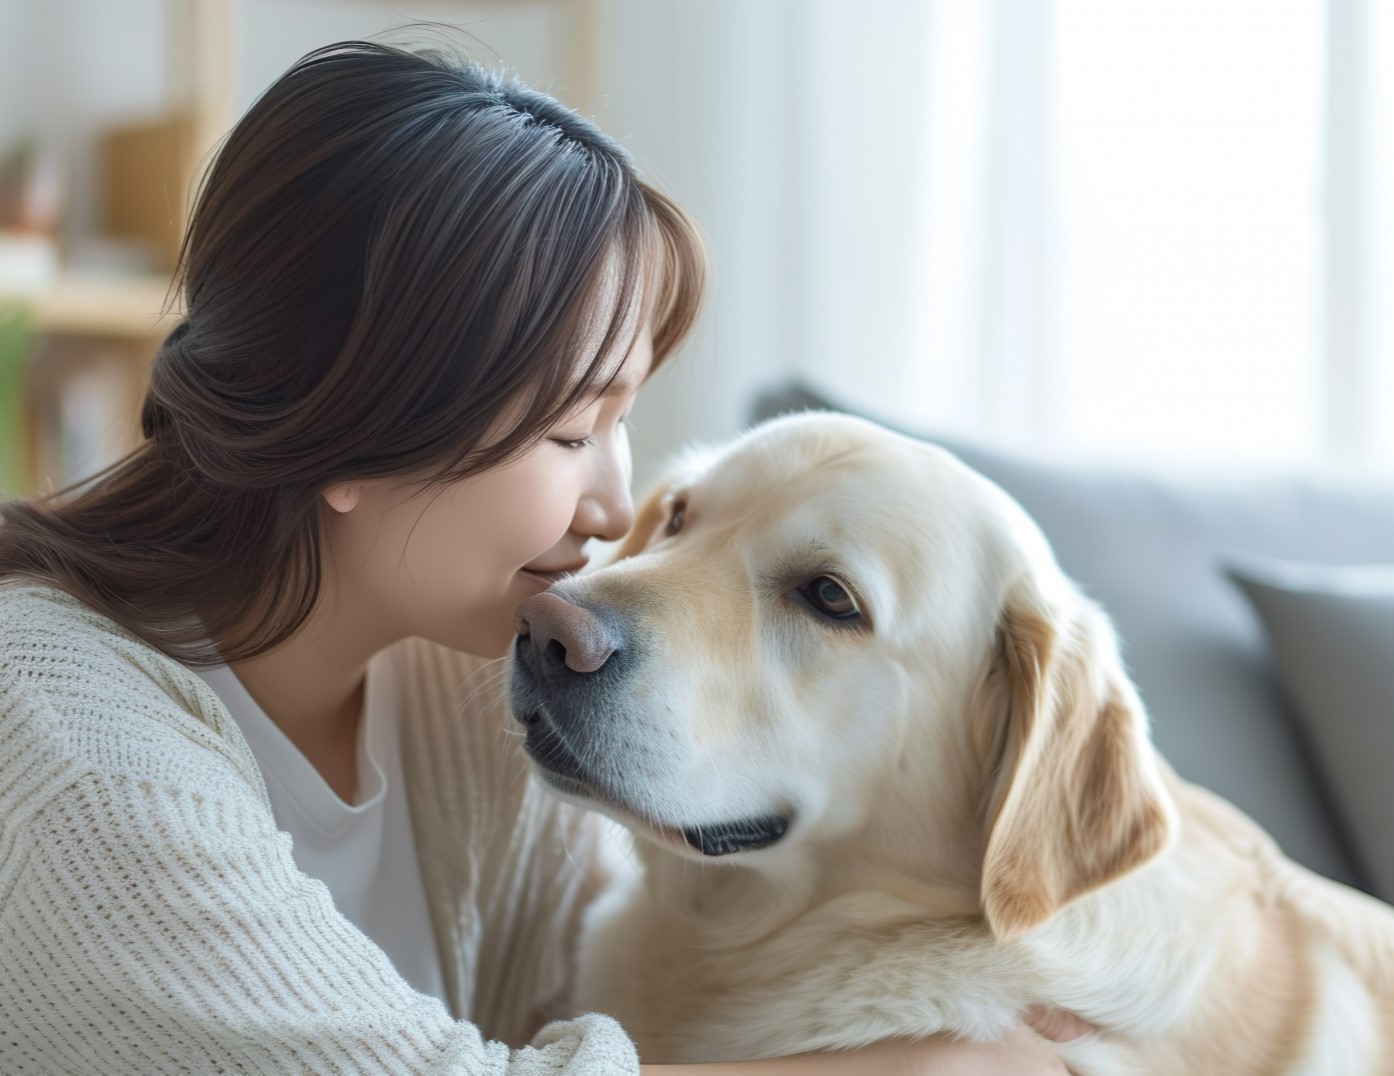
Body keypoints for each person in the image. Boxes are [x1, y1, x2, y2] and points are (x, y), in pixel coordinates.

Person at [0, 38, 1072, 1075]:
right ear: (354, 424)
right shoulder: (62, 741)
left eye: (623, 418)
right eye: (570, 433)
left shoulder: (478, 684)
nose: (616, 507)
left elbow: (580, 998)